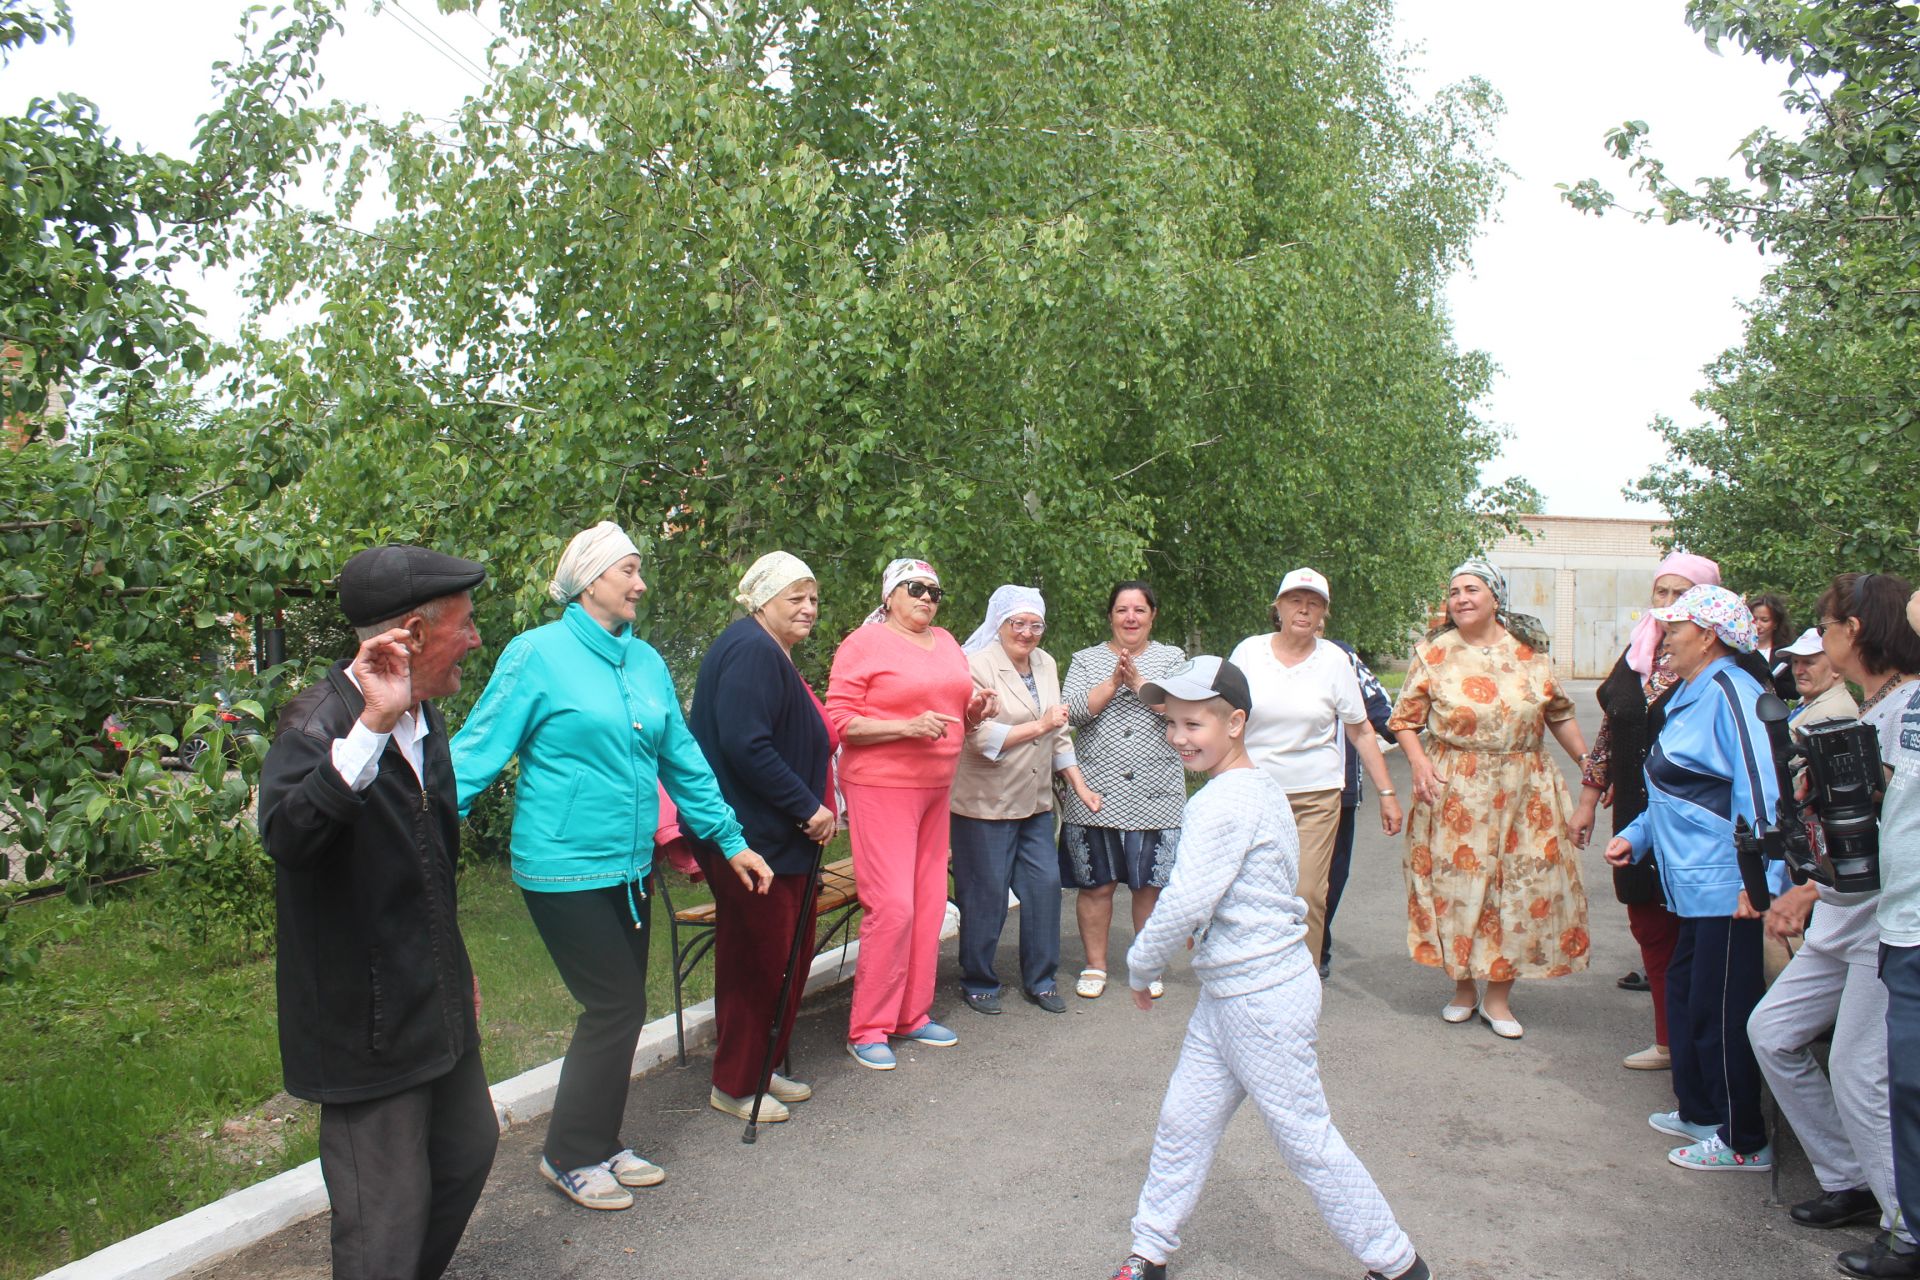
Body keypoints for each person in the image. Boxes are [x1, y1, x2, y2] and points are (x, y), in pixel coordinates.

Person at [451, 522, 773, 1211]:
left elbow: (683, 760)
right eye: (629, 570)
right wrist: (418, 828)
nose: (640, 583)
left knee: (624, 1008)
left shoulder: (646, 661)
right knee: (613, 1003)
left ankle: (598, 1140)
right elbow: (475, 752)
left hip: (629, 867)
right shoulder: (536, 654)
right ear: (591, 578)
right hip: (562, 865)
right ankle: (567, 1154)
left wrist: (732, 839)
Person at [1109, 657, 1431, 1280]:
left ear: (1235, 722)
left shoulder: (1224, 802)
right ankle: (1148, 1253)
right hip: (1233, 992)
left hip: (1260, 997)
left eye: (1194, 723)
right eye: (1171, 723)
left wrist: (1138, 966)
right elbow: (1246, 891)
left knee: (1305, 1139)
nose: (1179, 736)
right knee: (1184, 1121)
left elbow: (1185, 900)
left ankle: (1398, 1265)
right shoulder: (1259, 788)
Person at [258, 543, 497, 1280]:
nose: (476, 637)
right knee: (382, 1228)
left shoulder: (429, 721)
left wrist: (456, 969)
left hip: (432, 1003)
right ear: (412, 636)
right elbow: (289, 837)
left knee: (466, 1152)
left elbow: (431, 867)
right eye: (464, 623)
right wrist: (366, 733)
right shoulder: (318, 727)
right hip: (365, 1024)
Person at [1604, 584, 1786, 1173]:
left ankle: (1743, 1139)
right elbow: (1676, 789)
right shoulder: (1693, 691)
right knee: (1687, 993)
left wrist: (1761, 883)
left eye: (1673, 630)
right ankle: (1702, 1110)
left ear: (1707, 636)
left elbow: (1761, 786)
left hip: (1728, 886)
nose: (1663, 641)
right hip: (1692, 884)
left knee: (1724, 1009)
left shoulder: (1733, 690)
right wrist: (1637, 834)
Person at [1389, 559, 1592, 1039]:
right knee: (1454, 888)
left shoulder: (1530, 653)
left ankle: (1498, 997)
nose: (1460, 598)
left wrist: (1588, 762)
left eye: (1472, 589)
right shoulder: (1434, 653)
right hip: (1455, 787)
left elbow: (1559, 714)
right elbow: (1403, 720)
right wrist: (1419, 763)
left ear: (1496, 599)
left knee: (1520, 891)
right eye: (1454, 590)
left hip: (1527, 788)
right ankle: (1462, 988)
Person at [685, 552, 839, 1124]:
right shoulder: (751, 649)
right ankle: (735, 1082)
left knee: (784, 955)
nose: (808, 608)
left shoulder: (770, 650)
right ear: (761, 600)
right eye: (794, 597)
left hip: (781, 839)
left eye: (813, 598)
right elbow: (747, 744)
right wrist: (808, 807)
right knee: (759, 959)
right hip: (756, 841)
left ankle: (762, 1065)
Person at [826, 558, 997, 1069]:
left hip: (937, 786)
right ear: (889, 595)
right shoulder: (864, 644)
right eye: (915, 588)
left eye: (935, 592)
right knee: (893, 906)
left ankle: (911, 1015)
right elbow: (840, 722)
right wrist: (905, 727)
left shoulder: (946, 641)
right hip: (882, 785)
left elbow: (952, 709)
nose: (927, 598)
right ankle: (868, 1027)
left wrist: (975, 710)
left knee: (927, 905)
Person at [1804, 573, 1920, 1278]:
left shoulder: (1900, 704)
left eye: (1827, 626)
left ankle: (1901, 1226)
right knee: (1896, 1083)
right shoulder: (1896, 707)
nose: (1819, 641)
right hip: (1893, 916)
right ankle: (1885, 1211)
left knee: (1878, 1077)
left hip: (1889, 920)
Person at [1571, 552, 1720, 1071]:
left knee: (1697, 940)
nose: (1669, 605)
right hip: (1636, 809)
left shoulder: (1718, 662)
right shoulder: (1638, 652)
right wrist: (1588, 798)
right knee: (1651, 929)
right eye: (1663, 593)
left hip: (1696, 819)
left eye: (1683, 594)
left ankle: (1701, 1052)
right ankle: (1667, 1042)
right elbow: (1612, 730)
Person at [1228, 568, 1402, 966]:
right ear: (1279, 607)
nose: (1303, 610)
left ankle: (1299, 981)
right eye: (1295, 600)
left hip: (1315, 797)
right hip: (1255, 792)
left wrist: (1388, 795)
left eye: (1314, 603)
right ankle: (1248, 970)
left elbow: (1359, 732)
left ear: (1323, 613)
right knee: (1249, 889)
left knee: (1307, 892)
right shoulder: (1249, 652)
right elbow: (1225, 719)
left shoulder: (1335, 660)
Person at [950, 585, 1101, 1015]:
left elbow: (1057, 733)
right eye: (1019, 623)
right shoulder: (975, 665)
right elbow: (978, 738)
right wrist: (1041, 726)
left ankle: (1041, 978)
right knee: (986, 895)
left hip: (1035, 802)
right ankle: (978, 978)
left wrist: (1079, 784)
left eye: (1036, 624)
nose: (1028, 633)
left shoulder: (1046, 662)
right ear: (1000, 624)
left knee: (1044, 887)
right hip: (986, 802)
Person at [1057, 581, 1189, 1000]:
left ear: (1153, 615)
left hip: (1157, 791)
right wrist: (1112, 682)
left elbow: (1186, 710)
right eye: (1121, 610)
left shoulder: (1173, 659)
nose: (1130, 618)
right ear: (1110, 616)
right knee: (1095, 885)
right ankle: (1095, 965)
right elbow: (1070, 714)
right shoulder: (1086, 660)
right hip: (1095, 791)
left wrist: (1139, 683)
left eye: (1139, 610)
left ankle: (1146, 964)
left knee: (1149, 885)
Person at [1317, 625, 1396, 979]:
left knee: (1331, 876)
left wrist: (1405, 728)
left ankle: (1316, 944)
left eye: (1317, 608)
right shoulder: (1262, 657)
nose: (1309, 616)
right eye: (1297, 602)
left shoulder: (1343, 655)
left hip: (1338, 788)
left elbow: (1380, 709)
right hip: (1276, 788)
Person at [1749, 591, 1799, 702]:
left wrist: (1772, 684)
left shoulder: (1785, 653)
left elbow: (1795, 690)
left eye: (1764, 620)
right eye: (1754, 619)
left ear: (1775, 624)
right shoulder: (1740, 651)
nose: (1758, 625)